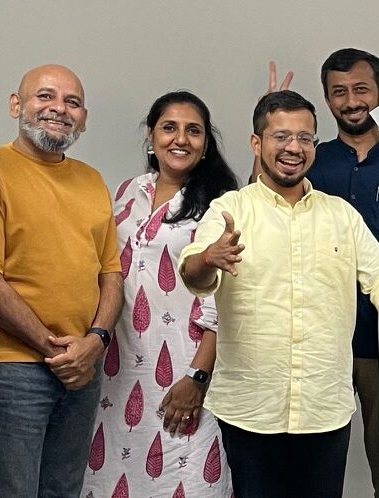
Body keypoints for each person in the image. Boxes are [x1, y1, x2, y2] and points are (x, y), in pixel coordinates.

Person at [178, 90, 379, 498]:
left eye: (304, 138)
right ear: (257, 143)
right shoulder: (232, 210)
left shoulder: (341, 216)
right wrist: (210, 257)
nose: (294, 148)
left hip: (323, 410)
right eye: (281, 136)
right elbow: (193, 271)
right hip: (250, 411)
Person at [0, 64, 120, 498]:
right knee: (11, 491)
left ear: (83, 118)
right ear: (16, 104)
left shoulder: (92, 180)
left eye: (73, 102)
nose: (60, 109)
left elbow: (110, 274)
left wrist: (95, 342)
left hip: (83, 366)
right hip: (14, 366)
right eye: (45, 96)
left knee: (63, 490)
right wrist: (55, 350)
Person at [85, 91, 239, 497]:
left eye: (193, 131)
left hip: (185, 374)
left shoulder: (222, 205)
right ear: (151, 135)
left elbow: (226, 304)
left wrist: (197, 378)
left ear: (206, 143)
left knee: (183, 478)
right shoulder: (127, 193)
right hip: (116, 375)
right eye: (169, 127)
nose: (181, 139)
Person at [306, 48, 379, 497]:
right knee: (312, 465)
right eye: (338, 92)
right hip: (321, 340)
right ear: (327, 100)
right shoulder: (310, 160)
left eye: (360, 89)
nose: (350, 101)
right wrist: (269, 136)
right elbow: (262, 209)